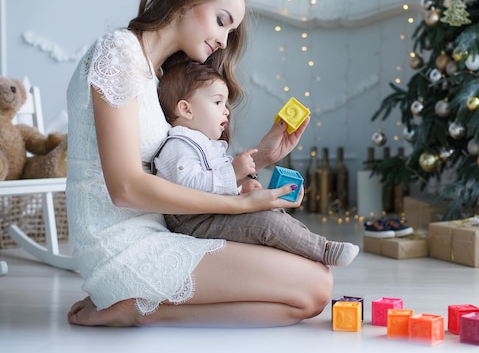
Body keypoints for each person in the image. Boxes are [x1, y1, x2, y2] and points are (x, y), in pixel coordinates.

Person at [65, 0, 334, 327]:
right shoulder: (118, 53)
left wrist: (262, 157)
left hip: (161, 230)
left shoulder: (157, 75)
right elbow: (125, 188)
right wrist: (241, 207)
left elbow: (182, 169)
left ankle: (141, 307)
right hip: (117, 244)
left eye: (231, 30)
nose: (224, 40)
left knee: (316, 288)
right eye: (222, 20)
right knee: (314, 287)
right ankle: (138, 307)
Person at [153, 60, 359, 267]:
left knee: (269, 213)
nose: (226, 111)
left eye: (225, 104)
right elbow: (187, 187)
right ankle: (321, 250)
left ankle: (311, 248)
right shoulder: (179, 145)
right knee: (264, 223)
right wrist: (233, 173)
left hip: (209, 212)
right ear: (186, 110)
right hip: (192, 221)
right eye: (217, 102)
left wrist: (241, 186)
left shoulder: (204, 144)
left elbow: (212, 185)